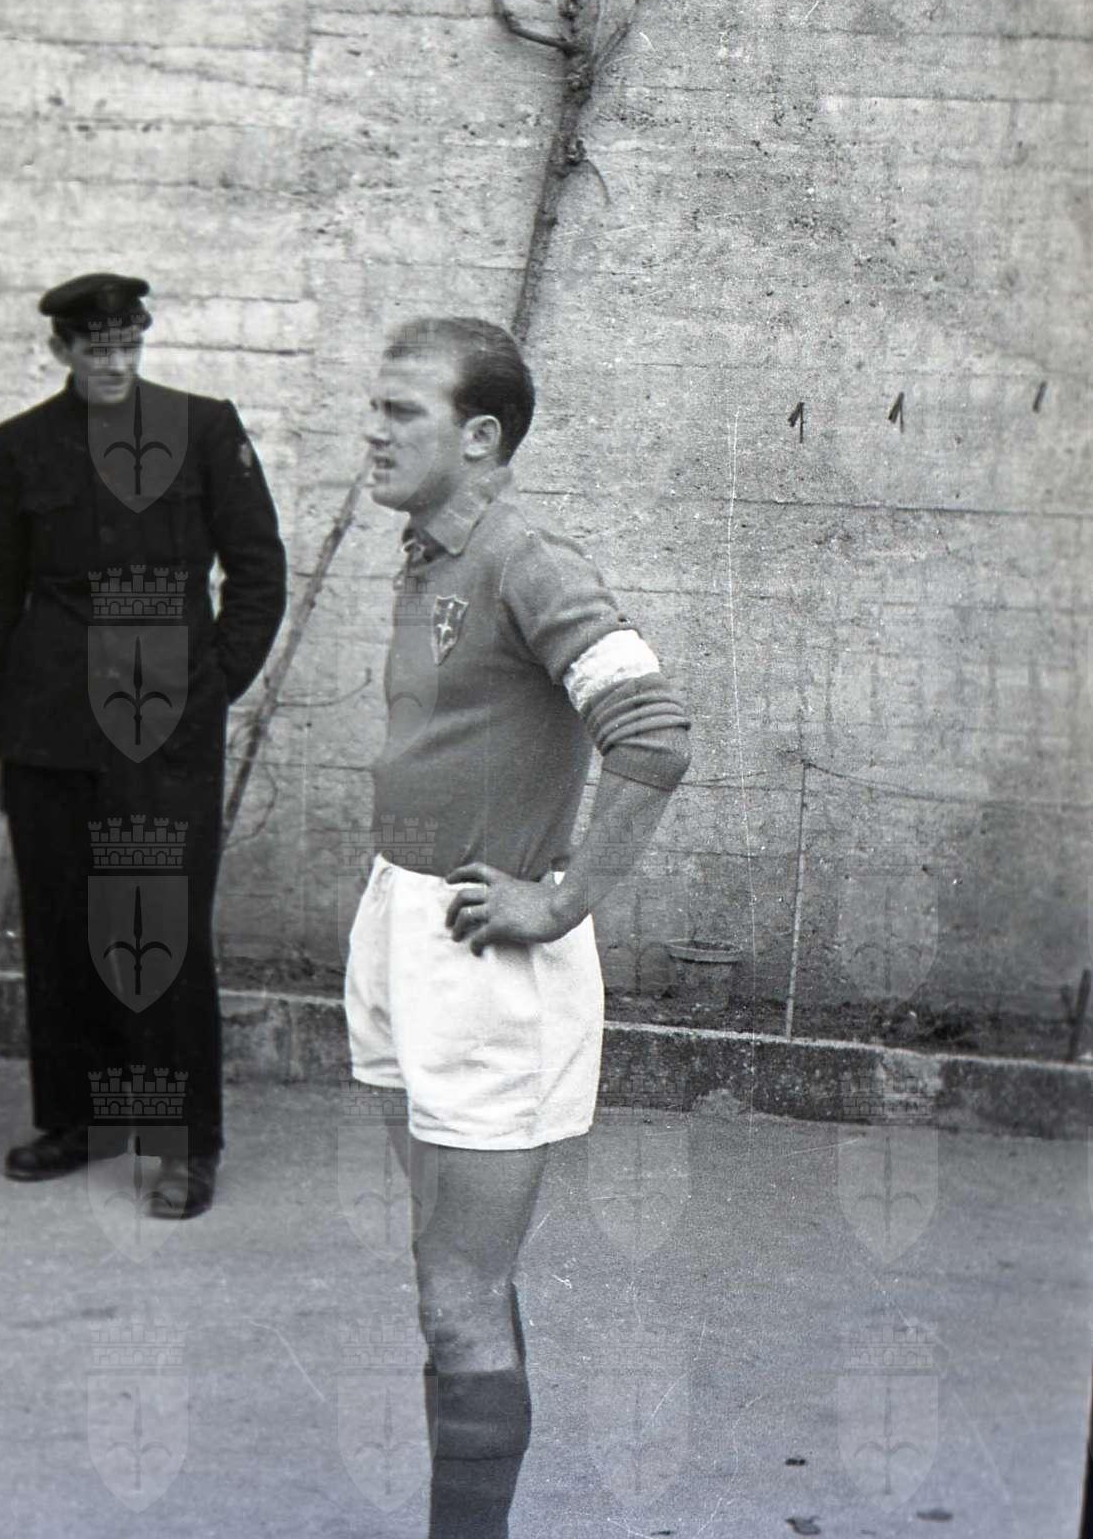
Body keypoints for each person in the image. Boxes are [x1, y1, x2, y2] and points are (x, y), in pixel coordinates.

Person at [345, 316, 691, 1537]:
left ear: (481, 436)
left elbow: (653, 733)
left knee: (458, 1290)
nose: (372, 431)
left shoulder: (529, 560)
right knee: (448, 1279)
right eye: (375, 407)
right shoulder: (427, 555)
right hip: (404, 921)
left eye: (402, 412)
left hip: (486, 956)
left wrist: (560, 896)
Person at [0, 273, 286, 1219]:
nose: (113, 364)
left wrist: (209, 687)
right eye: (94, 348)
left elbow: (258, 571)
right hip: (49, 728)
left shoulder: (204, 428)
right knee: (62, 929)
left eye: (126, 346)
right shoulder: (17, 446)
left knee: (162, 931)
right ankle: (77, 1120)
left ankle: (188, 1144)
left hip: (165, 729)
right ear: (61, 350)